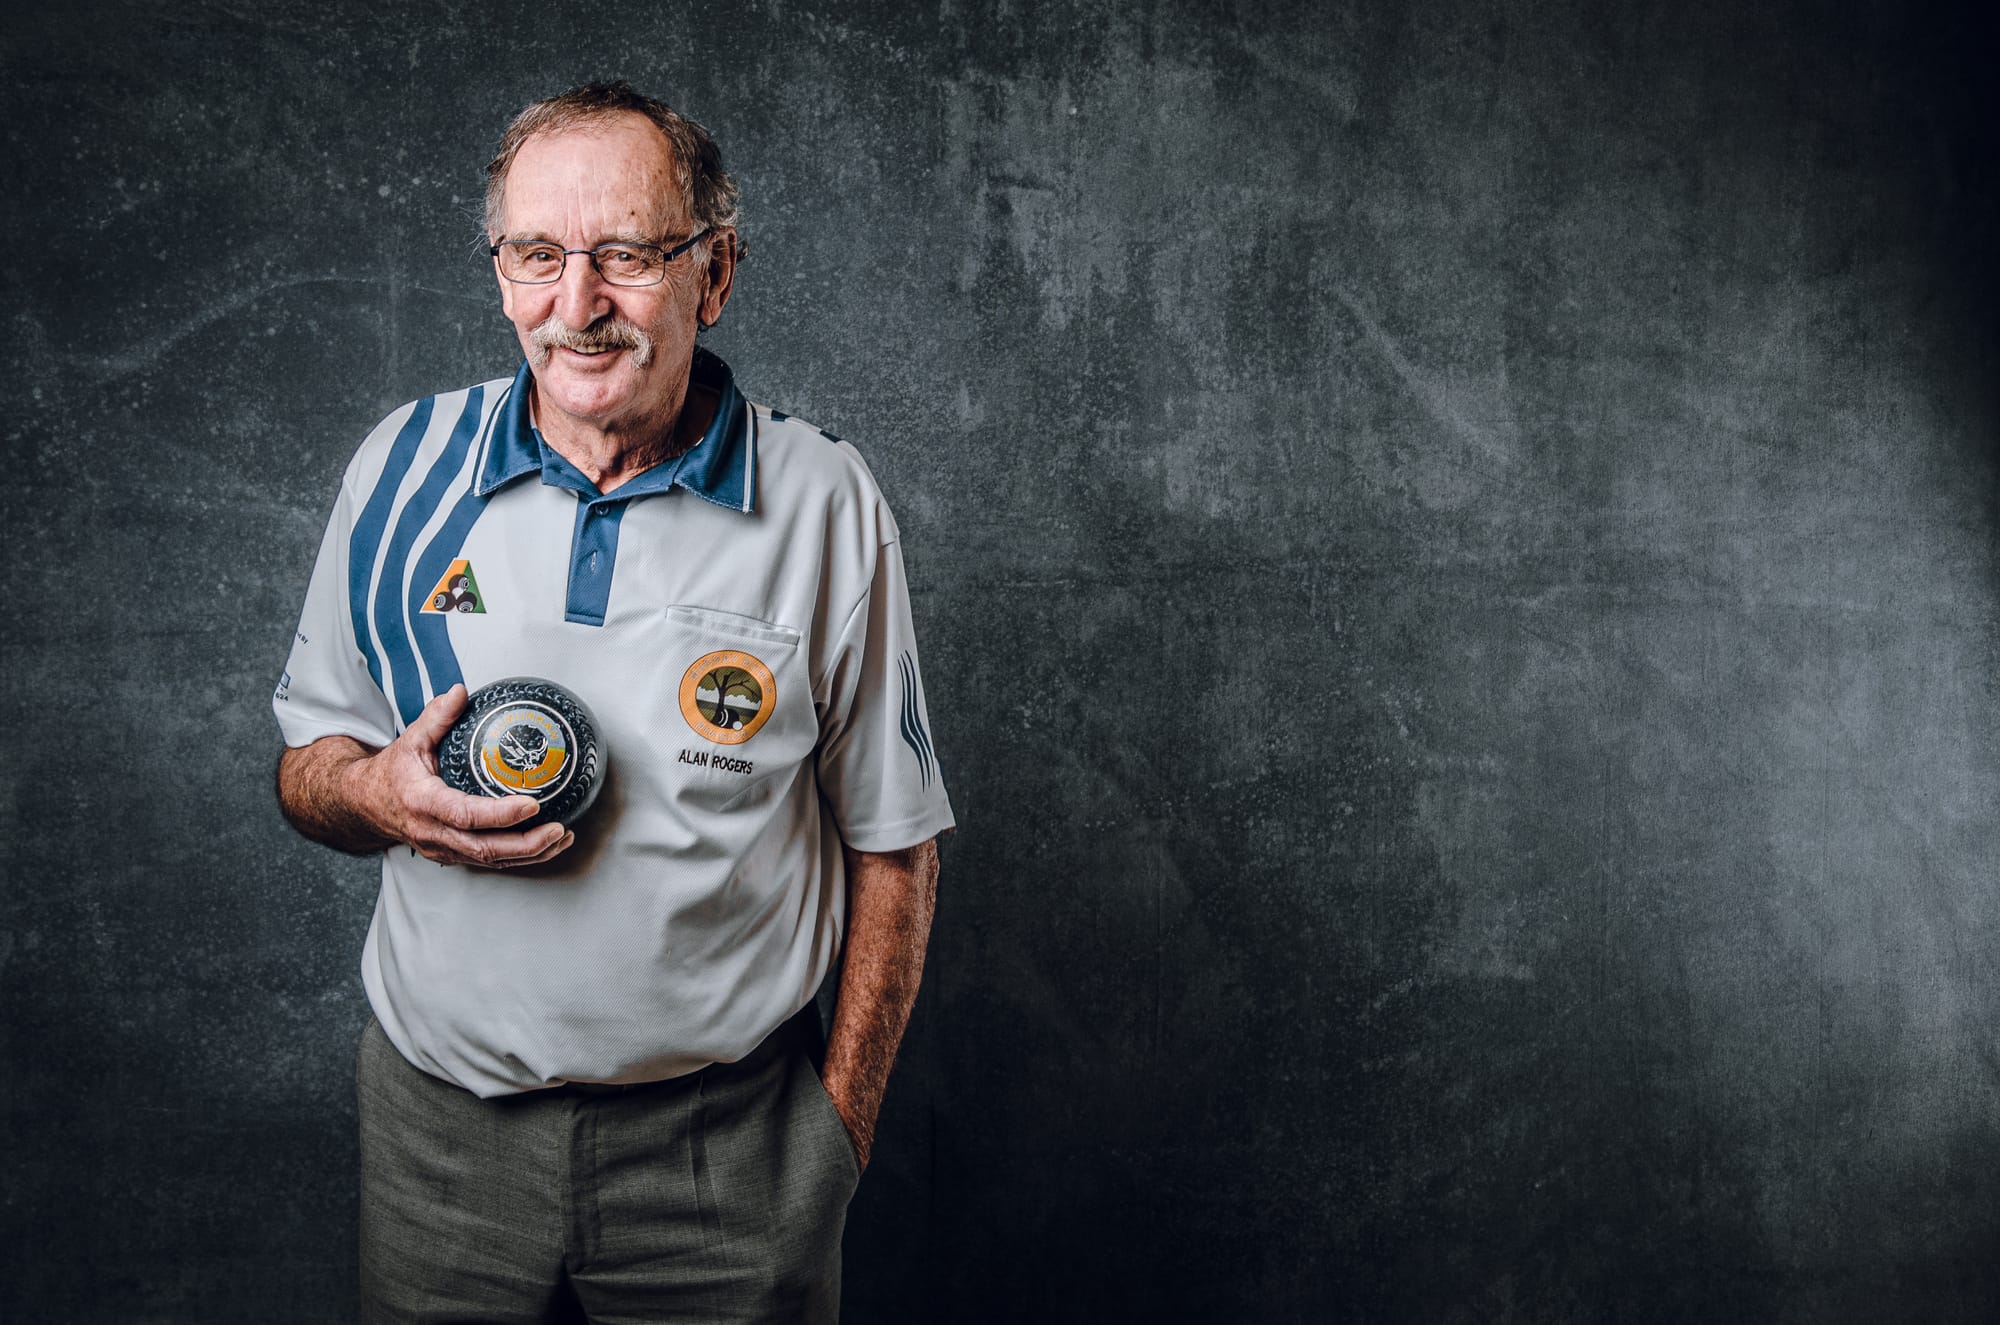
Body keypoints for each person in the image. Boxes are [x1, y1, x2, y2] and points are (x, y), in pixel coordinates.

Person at [272, 81, 954, 1323]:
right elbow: (309, 761)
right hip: (441, 1147)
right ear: (499, 270)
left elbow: (897, 847)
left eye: (627, 255)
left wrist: (833, 1140)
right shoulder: (403, 468)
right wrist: (373, 790)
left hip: (726, 1157)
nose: (575, 306)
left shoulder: (824, 504)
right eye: (536, 254)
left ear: (716, 271)